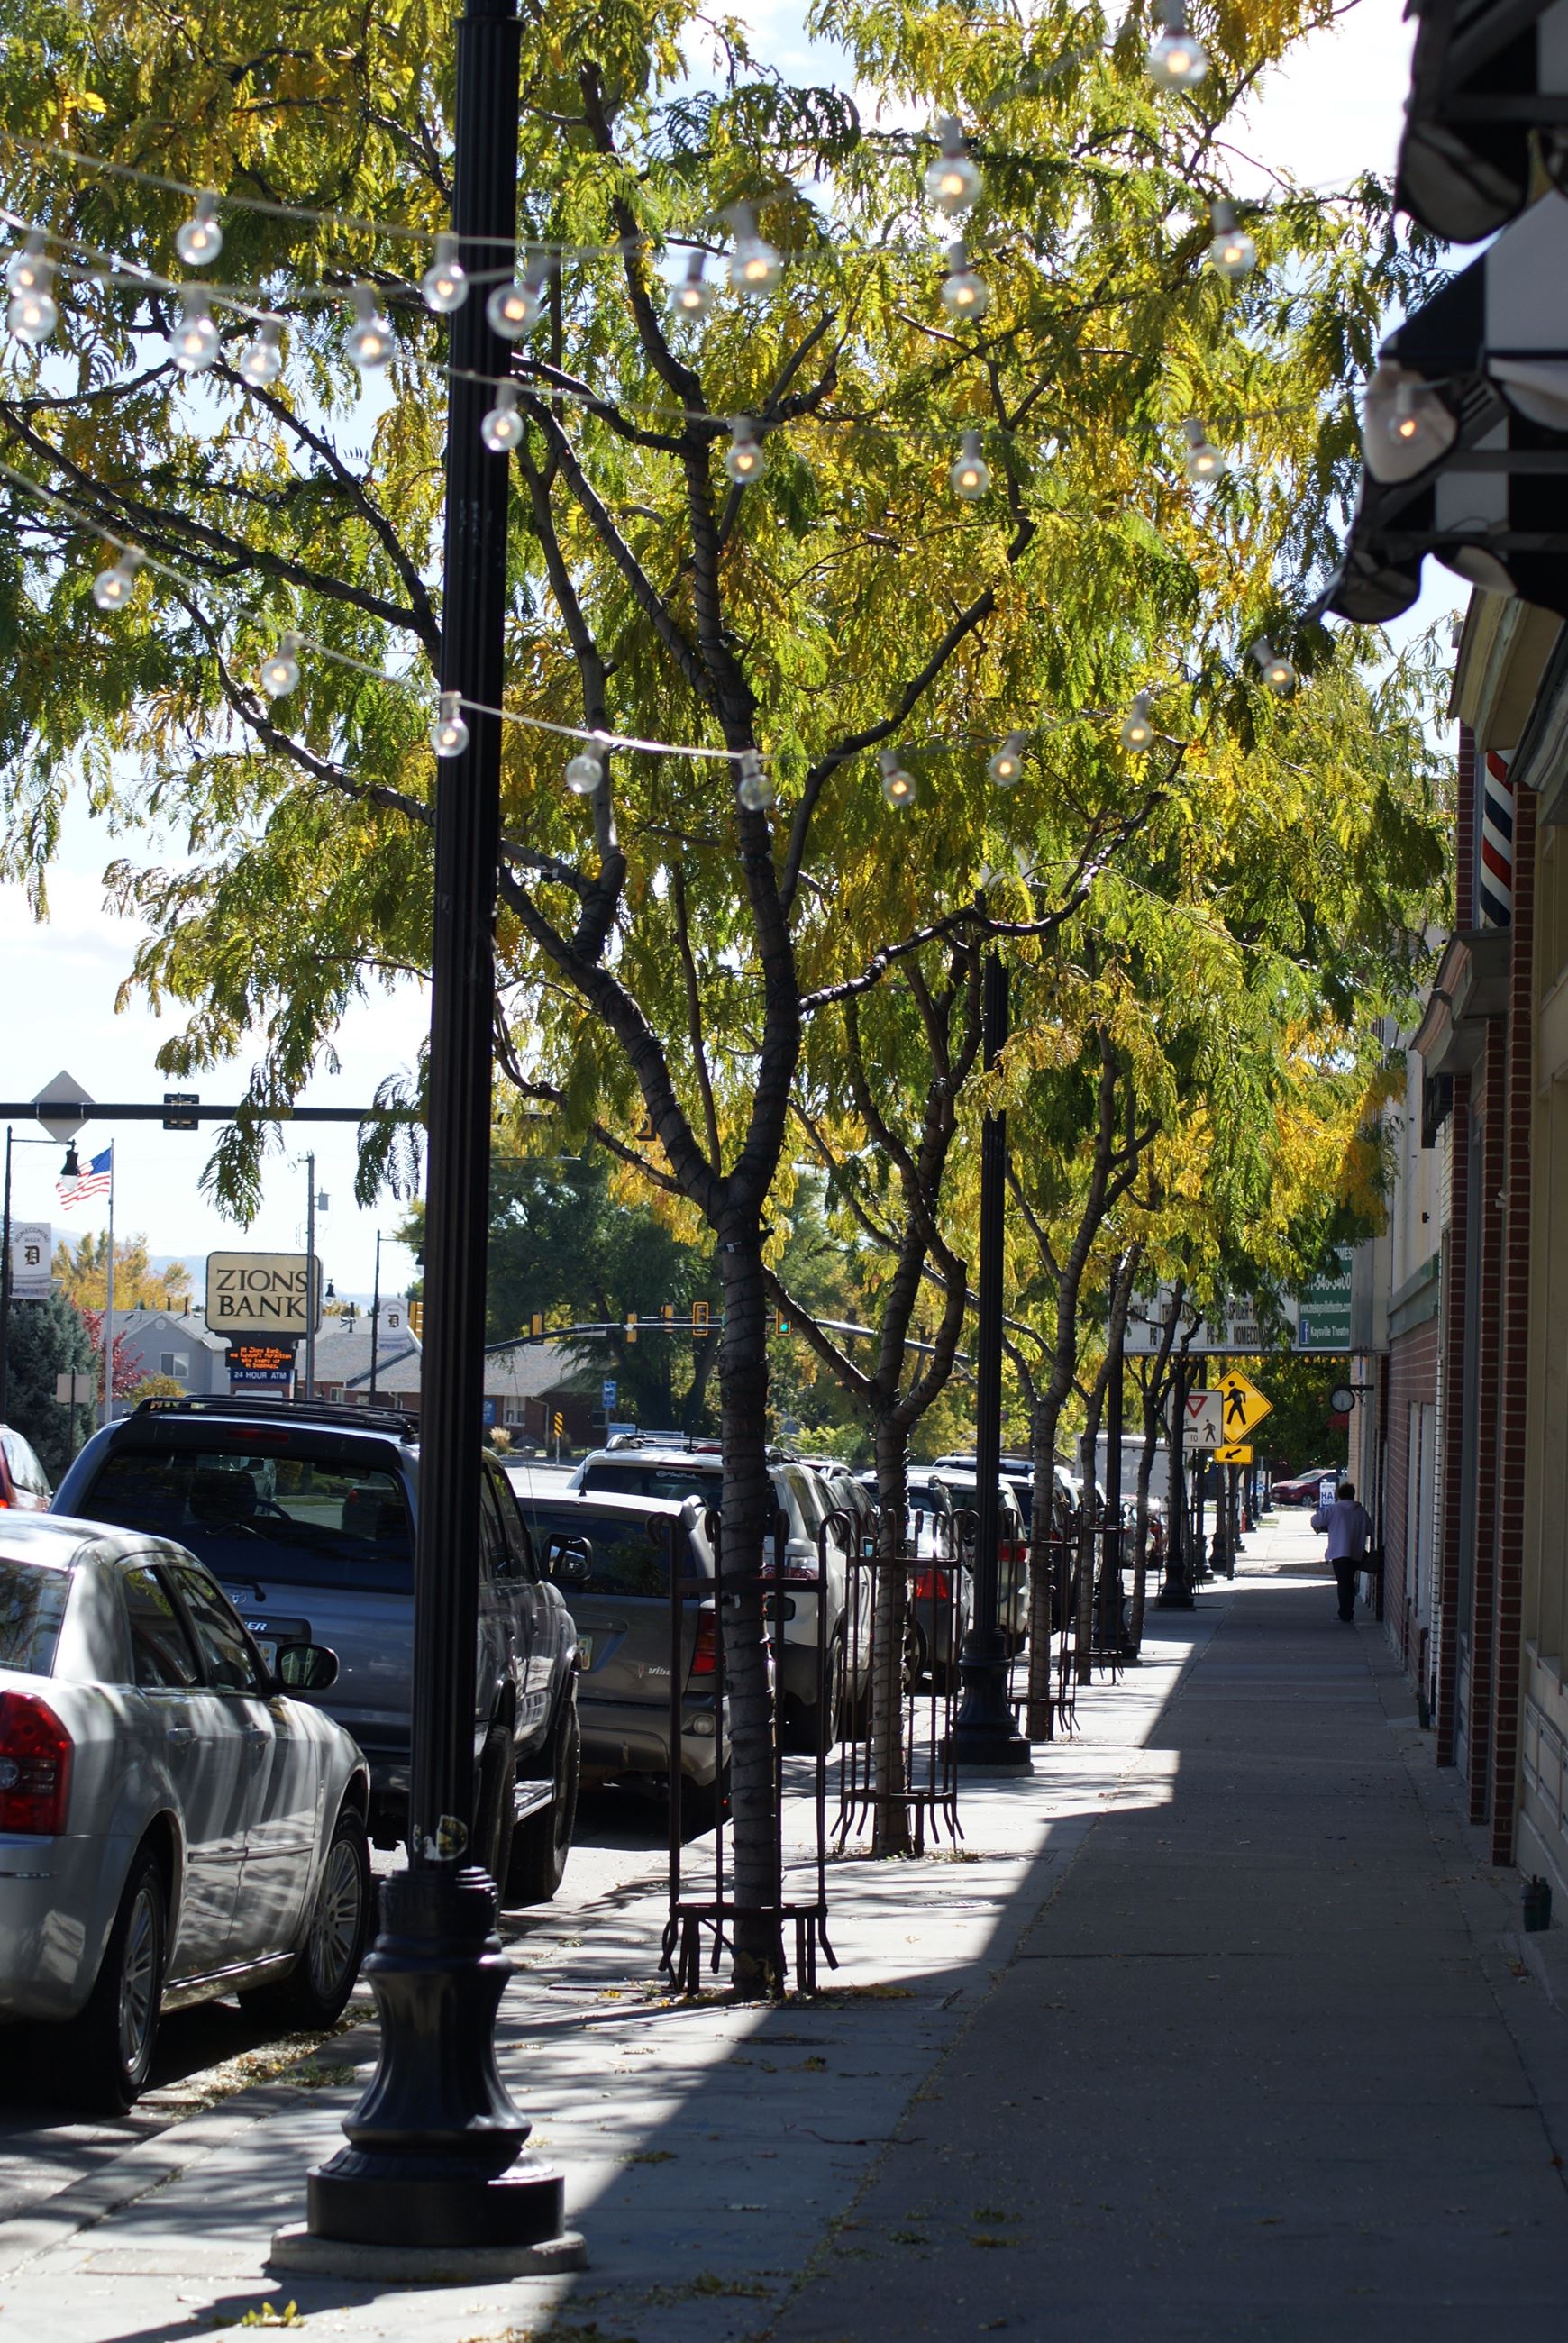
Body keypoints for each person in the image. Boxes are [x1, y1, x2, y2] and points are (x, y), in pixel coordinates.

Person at [1311, 1479, 1372, 1623]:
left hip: (1338, 1552)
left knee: (1343, 1583)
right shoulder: (1360, 1511)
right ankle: (1347, 1611)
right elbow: (1369, 1529)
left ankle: (1345, 1613)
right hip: (1355, 1552)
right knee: (1349, 1582)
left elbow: (1316, 1521)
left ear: (1339, 1495)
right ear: (1353, 1495)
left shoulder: (1334, 1509)